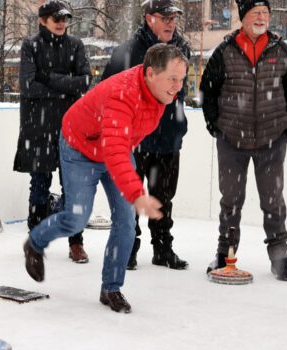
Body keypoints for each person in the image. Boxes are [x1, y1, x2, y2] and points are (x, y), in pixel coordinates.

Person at [23, 43, 188, 313]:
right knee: (77, 216)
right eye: (172, 78)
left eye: (181, 79)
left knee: (125, 220)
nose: (178, 86)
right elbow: (115, 153)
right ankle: (35, 243)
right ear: (149, 74)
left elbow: (121, 145)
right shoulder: (123, 94)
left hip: (115, 147)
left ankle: (111, 287)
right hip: (81, 147)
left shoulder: (159, 94)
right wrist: (137, 193)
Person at [200, 0, 287, 281]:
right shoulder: (225, 50)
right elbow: (207, 90)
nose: (261, 17)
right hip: (232, 139)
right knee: (231, 201)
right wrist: (216, 125)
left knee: (273, 201)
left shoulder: (281, 50)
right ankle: (226, 253)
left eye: (265, 13)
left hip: (272, 139)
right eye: (255, 13)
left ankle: (280, 258)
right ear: (243, 18)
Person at [101, 0, 190, 270]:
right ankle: (128, 249)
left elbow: (180, 92)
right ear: (149, 18)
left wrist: (177, 122)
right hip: (135, 139)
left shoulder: (182, 49)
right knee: (130, 197)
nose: (171, 23)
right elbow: (107, 90)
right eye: (165, 18)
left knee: (164, 196)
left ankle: (163, 249)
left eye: (174, 18)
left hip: (168, 137)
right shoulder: (128, 51)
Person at [13, 0, 91, 264]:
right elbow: (27, 87)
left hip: (71, 127)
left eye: (65, 18)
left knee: (73, 187)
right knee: (39, 185)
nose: (61, 23)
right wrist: (64, 89)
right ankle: (35, 241)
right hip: (38, 127)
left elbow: (85, 82)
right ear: (42, 20)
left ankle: (76, 243)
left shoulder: (76, 46)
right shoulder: (30, 46)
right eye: (55, 18)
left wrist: (49, 78)